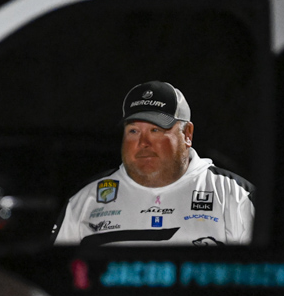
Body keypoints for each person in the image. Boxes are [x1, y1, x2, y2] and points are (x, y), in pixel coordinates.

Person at [53, 81, 254, 246]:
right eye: (133, 131)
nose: (143, 143)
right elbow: (57, 275)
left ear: (187, 134)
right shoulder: (84, 200)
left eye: (155, 130)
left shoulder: (235, 196)